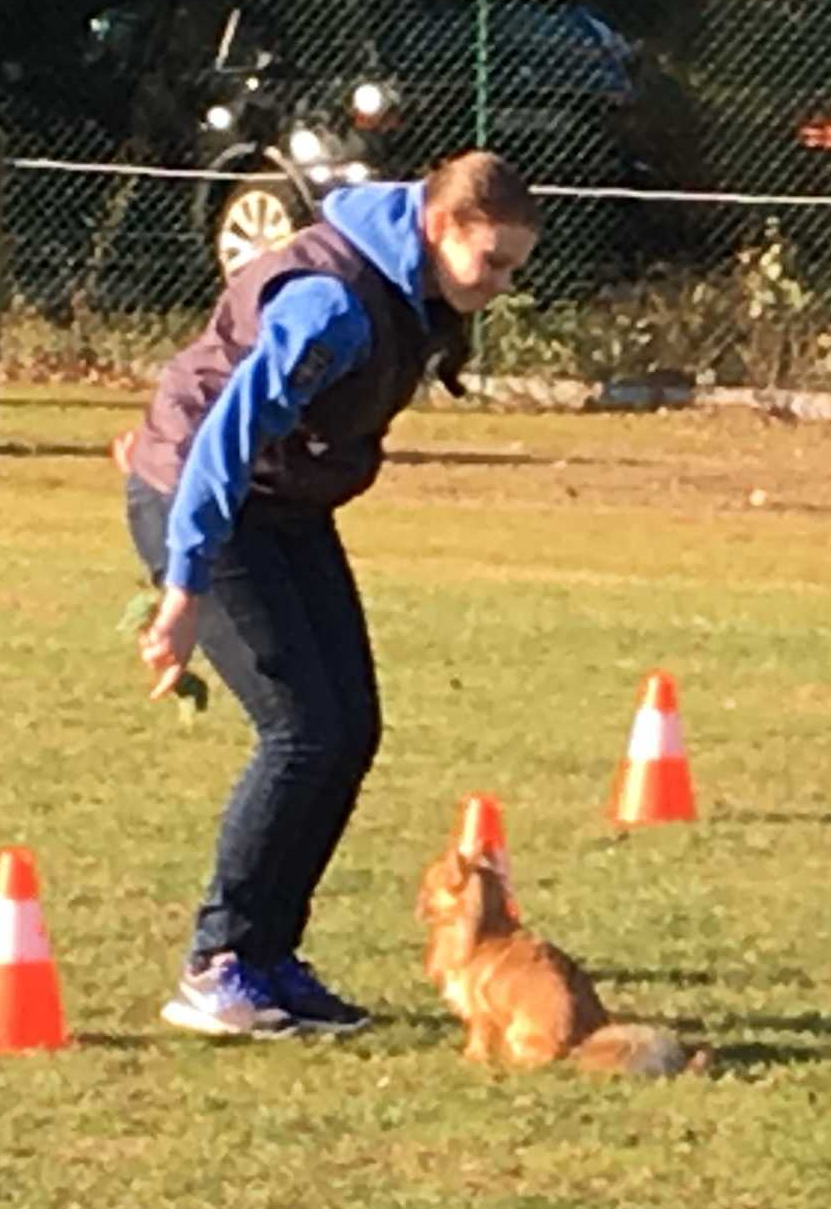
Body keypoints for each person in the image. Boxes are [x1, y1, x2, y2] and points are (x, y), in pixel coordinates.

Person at [125, 150, 539, 1038]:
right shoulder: (332, 304)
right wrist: (183, 586)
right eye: (493, 262)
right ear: (440, 225)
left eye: (513, 268)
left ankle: (270, 958)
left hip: (284, 506)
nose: (501, 284)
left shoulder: (412, 280)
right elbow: (225, 438)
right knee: (302, 729)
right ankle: (219, 965)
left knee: (349, 726)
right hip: (205, 496)